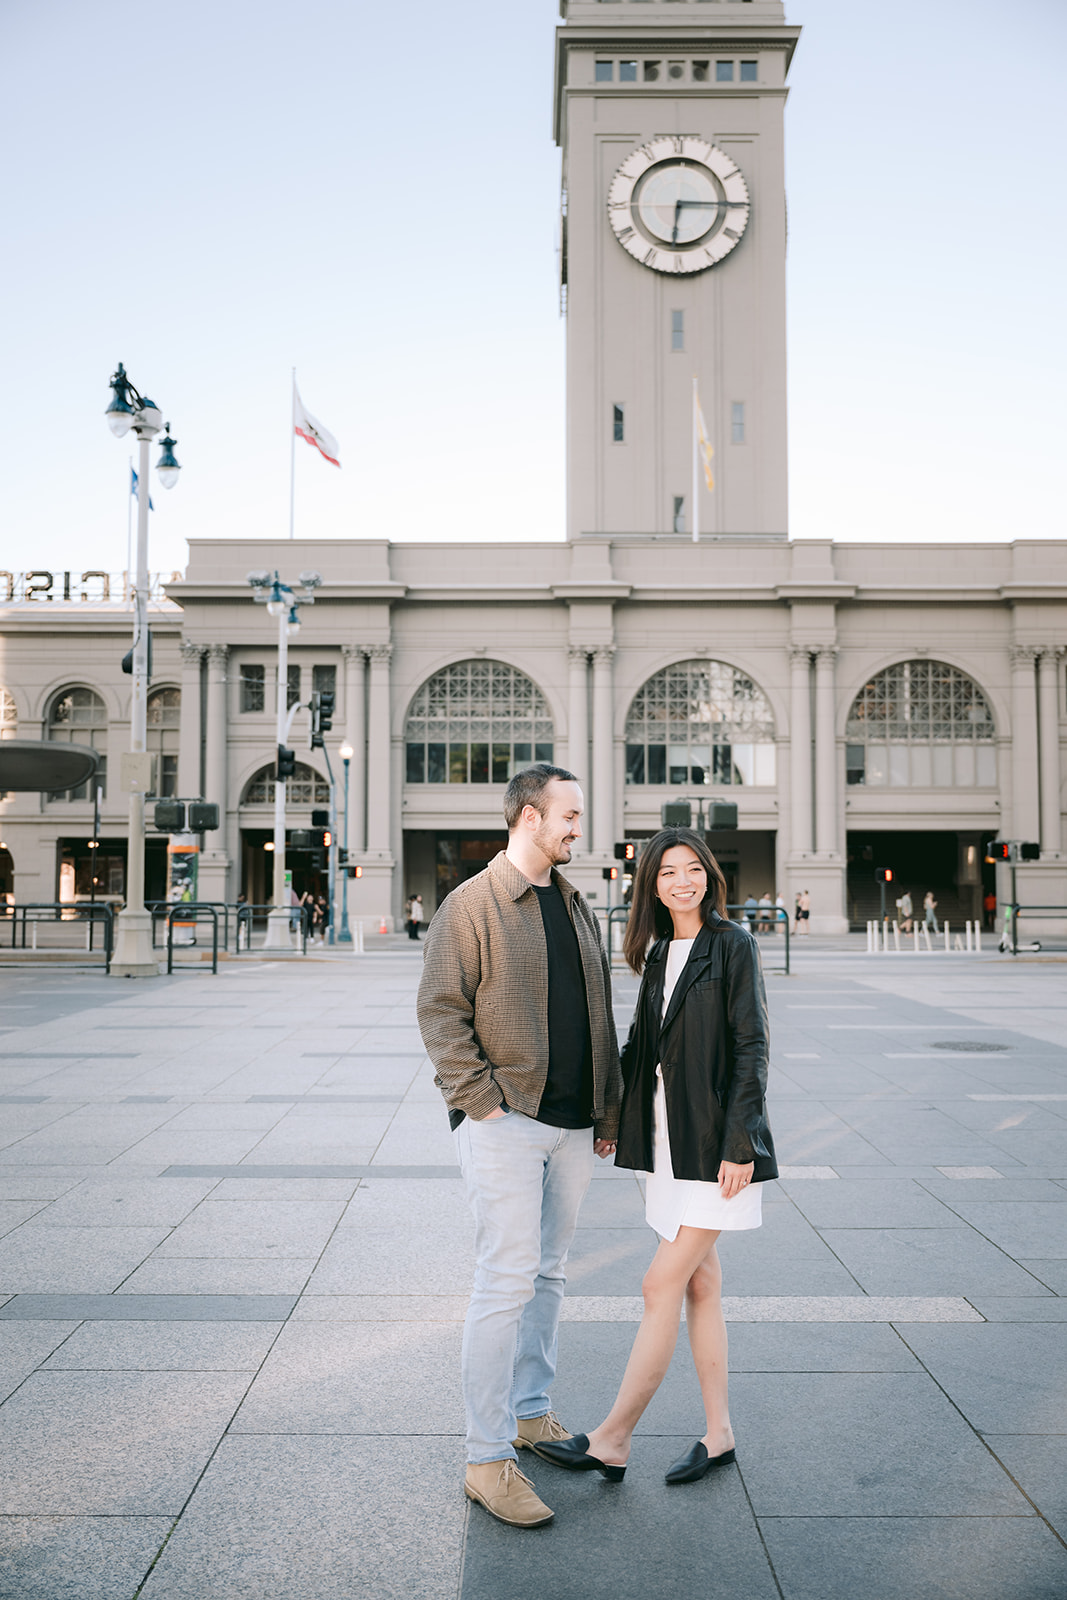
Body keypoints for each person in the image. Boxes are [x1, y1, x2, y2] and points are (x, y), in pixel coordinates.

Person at [537, 827, 776, 1487]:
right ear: (651, 884)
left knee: (657, 1285)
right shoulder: (656, 951)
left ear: (709, 876)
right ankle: (719, 1433)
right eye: (667, 871)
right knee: (701, 1284)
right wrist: (612, 1116)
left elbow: (752, 1047)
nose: (681, 881)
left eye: (692, 868)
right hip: (664, 1146)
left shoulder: (733, 946)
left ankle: (611, 1439)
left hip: (715, 1148)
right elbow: (642, 1048)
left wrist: (741, 1143)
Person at [417, 764, 623, 1529]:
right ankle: (484, 1458)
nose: (578, 827)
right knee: (504, 1281)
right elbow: (440, 1011)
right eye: (569, 814)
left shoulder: (574, 903)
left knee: (548, 1275)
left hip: (571, 1126)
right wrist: (481, 1106)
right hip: (507, 1122)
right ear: (529, 816)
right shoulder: (471, 904)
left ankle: (532, 1415)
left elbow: (595, 1012)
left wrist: (606, 1111)